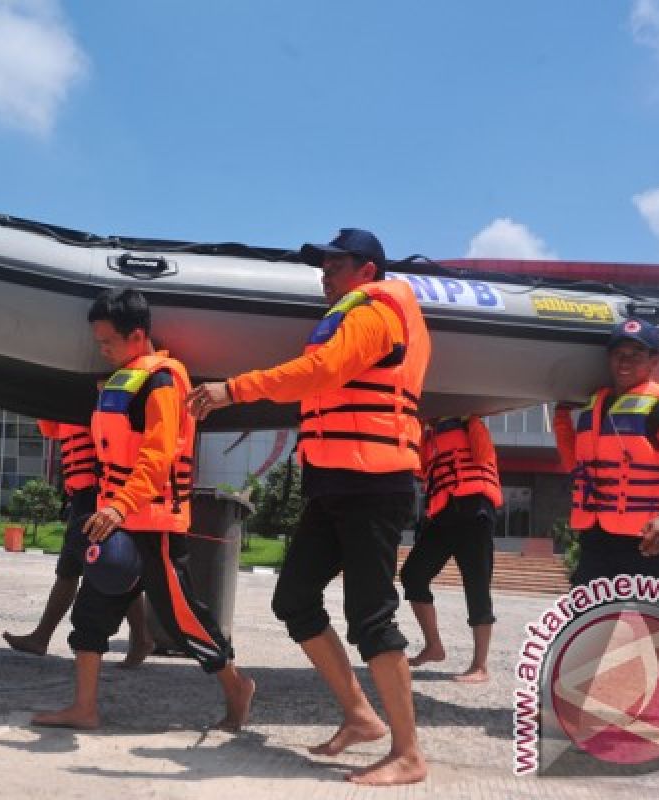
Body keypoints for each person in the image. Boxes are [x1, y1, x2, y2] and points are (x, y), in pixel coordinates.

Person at [189, 228, 429, 786]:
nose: (325, 272)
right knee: (294, 599)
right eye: (323, 264)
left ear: (367, 269)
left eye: (336, 263)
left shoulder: (374, 313)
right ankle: (360, 715)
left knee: (371, 618)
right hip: (336, 484)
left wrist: (235, 389)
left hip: (375, 484)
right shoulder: (349, 314)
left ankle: (410, 753)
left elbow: (322, 373)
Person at [32, 288, 254, 731]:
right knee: (92, 609)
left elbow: (159, 456)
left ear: (137, 335)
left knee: (182, 615)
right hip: (116, 516)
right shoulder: (122, 381)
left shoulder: (163, 381)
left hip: (154, 521)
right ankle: (85, 708)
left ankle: (235, 686)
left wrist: (119, 507)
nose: (103, 349)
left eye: (108, 342)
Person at [553, 317, 659, 585]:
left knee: (656, 625)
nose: (625, 362)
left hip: (649, 538)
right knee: (587, 621)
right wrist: (561, 417)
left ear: (653, 360)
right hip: (597, 538)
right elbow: (577, 465)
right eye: (618, 354)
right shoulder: (593, 403)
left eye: (636, 355)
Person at [3, 419, 154, 667]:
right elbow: (49, 429)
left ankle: (140, 637)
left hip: (99, 493)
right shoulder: (64, 406)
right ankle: (140, 638)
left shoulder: (91, 401)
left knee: (96, 569)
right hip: (80, 494)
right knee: (83, 569)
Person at [400, 416, 502, 683]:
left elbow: (484, 454)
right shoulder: (428, 437)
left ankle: (480, 666)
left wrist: (473, 421)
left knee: (477, 586)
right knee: (413, 575)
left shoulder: (470, 424)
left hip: (475, 512)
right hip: (444, 515)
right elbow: (421, 471)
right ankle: (434, 647)